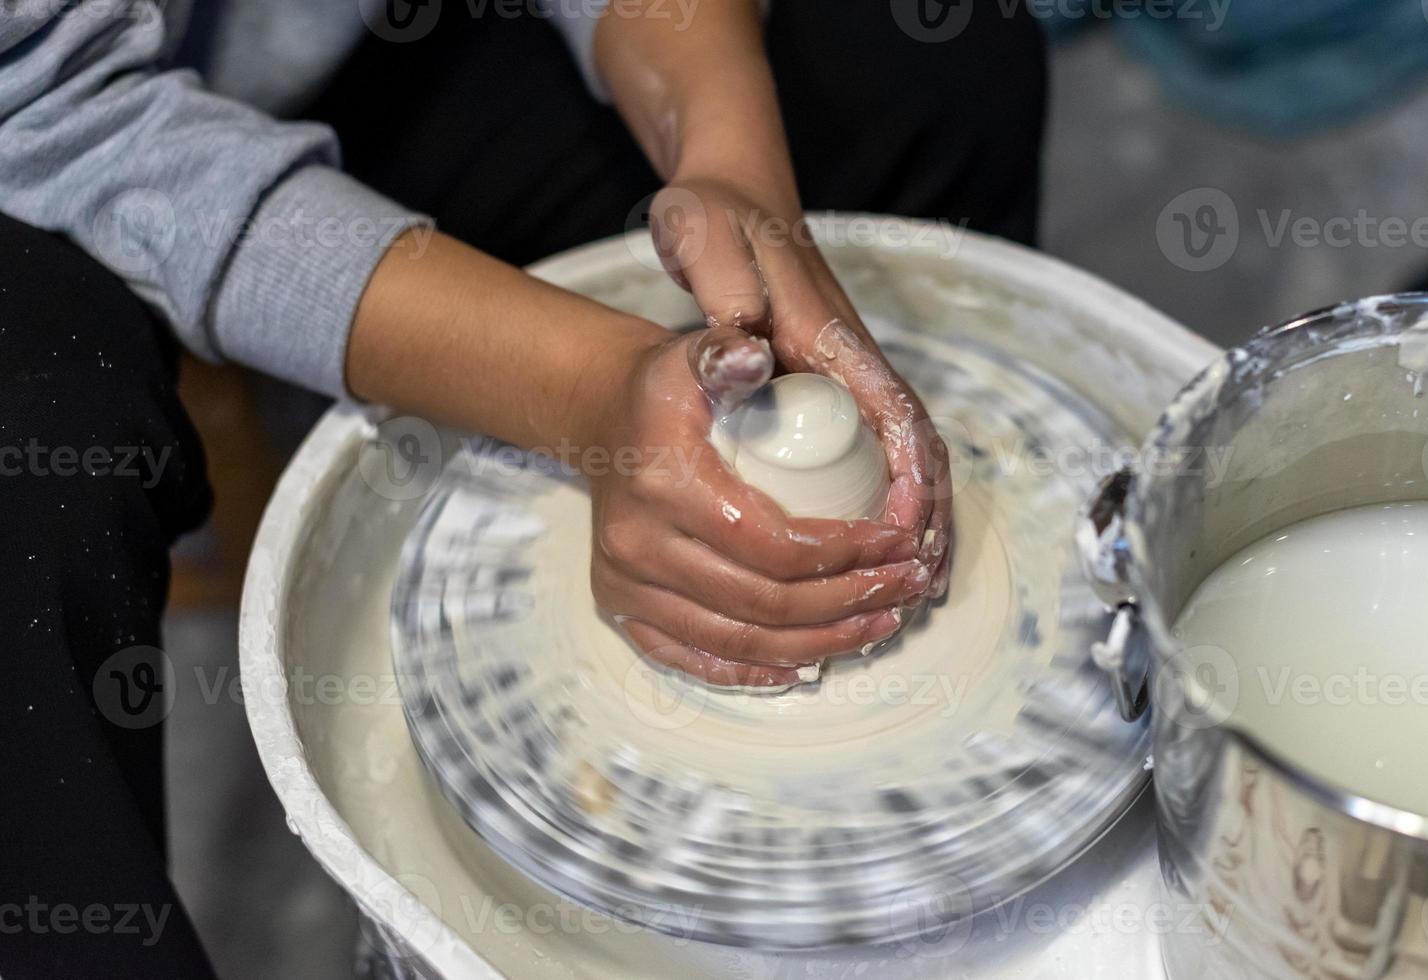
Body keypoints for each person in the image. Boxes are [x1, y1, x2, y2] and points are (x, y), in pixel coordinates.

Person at [0, 0, 1045, 973]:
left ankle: (891, 848)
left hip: (343, 36)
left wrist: (729, 156)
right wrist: (583, 392)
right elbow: (49, 104)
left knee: (929, 70)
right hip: (41, 135)